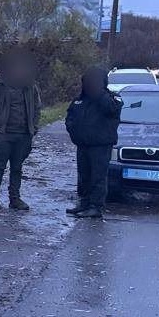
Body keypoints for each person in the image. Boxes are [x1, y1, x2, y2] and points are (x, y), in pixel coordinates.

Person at [0, 54, 42, 210]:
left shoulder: (30, 88)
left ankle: (15, 199)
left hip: (23, 136)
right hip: (4, 135)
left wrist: (34, 127)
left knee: (17, 168)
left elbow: (37, 108)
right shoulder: (0, 88)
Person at [64, 66, 123, 218]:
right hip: (83, 144)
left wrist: (99, 93)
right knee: (84, 175)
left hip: (101, 146)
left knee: (98, 176)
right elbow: (70, 117)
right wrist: (73, 132)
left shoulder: (112, 98)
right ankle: (84, 203)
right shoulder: (79, 100)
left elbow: (111, 110)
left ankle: (96, 207)